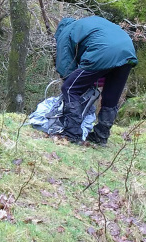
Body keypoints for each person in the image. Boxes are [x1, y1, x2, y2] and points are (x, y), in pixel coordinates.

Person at [54, 16, 137, 145]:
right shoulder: (88, 24)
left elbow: (65, 66)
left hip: (104, 51)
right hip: (128, 51)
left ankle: (72, 134)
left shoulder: (66, 31)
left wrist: (73, 82)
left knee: (69, 88)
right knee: (110, 97)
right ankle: (101, 136)